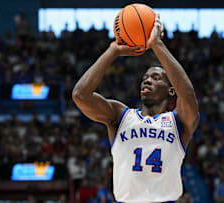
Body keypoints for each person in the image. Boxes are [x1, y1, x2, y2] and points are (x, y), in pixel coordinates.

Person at [72, 14, 199, 203]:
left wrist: (157, 45)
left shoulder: (179, 121)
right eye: (145, 78)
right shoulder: (120, 115)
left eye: (156, 78)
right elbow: (80, 95)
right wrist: (112, 50)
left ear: (171, 90)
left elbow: (187, 94)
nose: (147, 80)